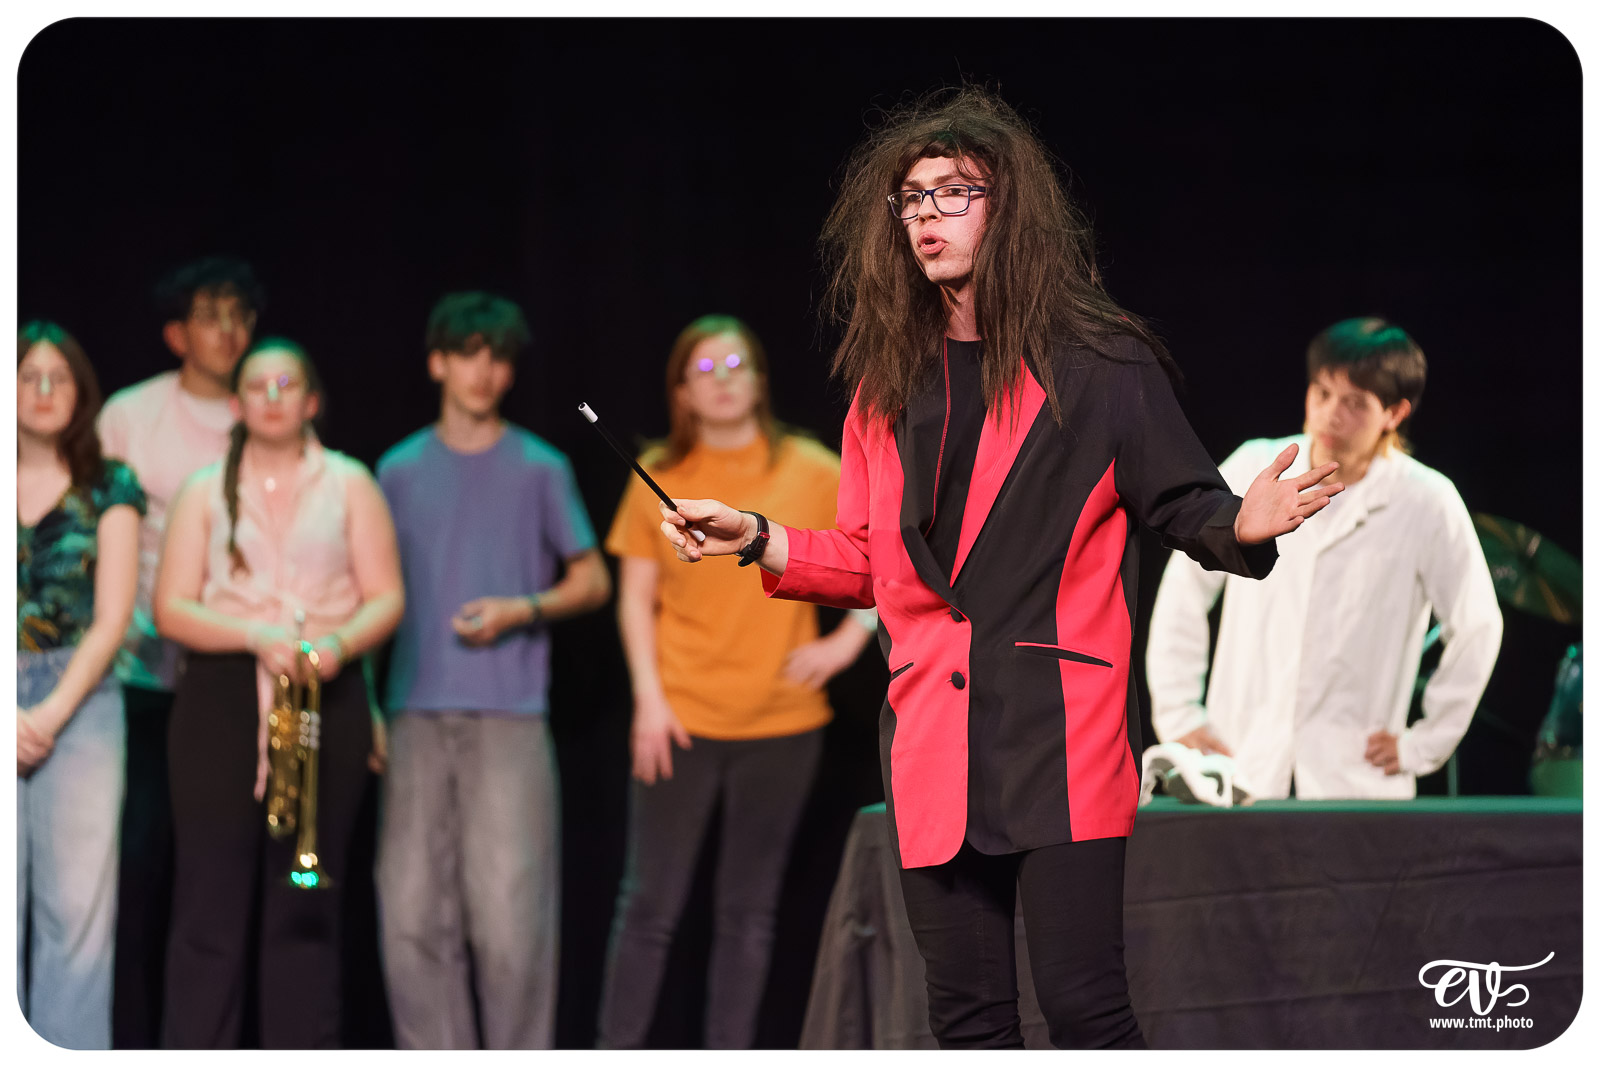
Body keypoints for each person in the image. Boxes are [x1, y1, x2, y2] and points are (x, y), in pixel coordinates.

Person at [654, 89, 1344, 1050]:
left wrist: (1245, 525)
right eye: (910, 199)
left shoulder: (1101, 365)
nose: (926, 215)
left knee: (1083, 1007)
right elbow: (871, 563)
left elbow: (1186, 506)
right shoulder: (884, 383)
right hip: (934, 741)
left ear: (1007, 205)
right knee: (967, 1020)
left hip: (1057, 735)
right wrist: (760, 535)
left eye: (952, 192)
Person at [597, 314, 876, 1049]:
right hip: (682, 720)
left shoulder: (812, 469)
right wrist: (648, 702)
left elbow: (882, 560)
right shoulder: (660, 471)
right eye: (705, 371)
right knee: (650, 906)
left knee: (747, 912)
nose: (723, 383)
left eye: (736, 367)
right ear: (681, 391)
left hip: (782, 724)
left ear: (760, 379)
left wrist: (845, 644)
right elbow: (633, 597)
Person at [373, 291, 611, 1050]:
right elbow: (370, 592)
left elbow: (593, 578)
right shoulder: (396, 469)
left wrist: (520, 607)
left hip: (509, 713)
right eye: (468, 352)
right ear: (438, 362)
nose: (482, 370)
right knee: (410, 914)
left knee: (512, 921)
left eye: (497, 357)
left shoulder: (540, 466)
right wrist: (369, 709)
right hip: (412, 708)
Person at [152, 338, 404, 1048]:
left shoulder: (351, 482)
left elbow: (386, 595)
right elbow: (171, 607)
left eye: (286, 383)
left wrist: (337, 645)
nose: (271, 396)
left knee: (307, 897)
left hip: (325, 690)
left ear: (311, 400)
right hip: (224, 696)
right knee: (211, 898)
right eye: (257, 386)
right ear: (234, 404)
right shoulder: (204, 489)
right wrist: (253, 634)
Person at [1146, 318, 1502, 799]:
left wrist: (1424, 744)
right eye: (1323, 393)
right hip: (1241, 765)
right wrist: (1179, 715)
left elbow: (1478, 623)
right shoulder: (1256, 465)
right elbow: (1183, 592)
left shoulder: (1426, 500)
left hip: (1354, 781)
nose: (1332, 414)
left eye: (1355, 403)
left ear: (1394, 412)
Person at [97, 255, 263, 1047]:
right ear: (175, 333)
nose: (227, 329)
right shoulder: (130, 417)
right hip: (133, 679)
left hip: (234, 684)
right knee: (134, 869)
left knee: (217, 881)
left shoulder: (266, 411)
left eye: (239, 314)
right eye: (209, 314)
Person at [16, 322, 144, 1049]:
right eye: (28, 374)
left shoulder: (110, 483)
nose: (42, 389)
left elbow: (113, 617)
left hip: (84, 698)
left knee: (78, 918)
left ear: (81, 392)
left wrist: (47, 713)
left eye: (58, 376)